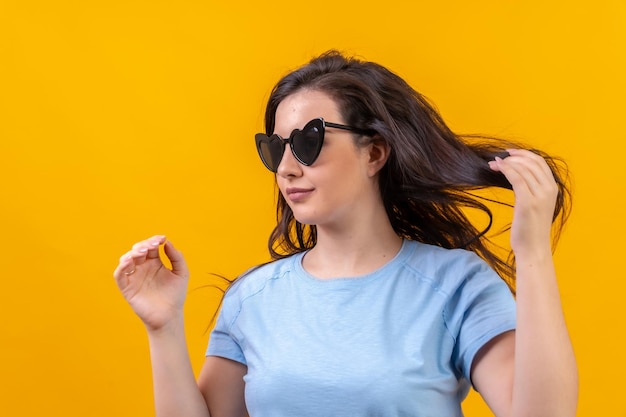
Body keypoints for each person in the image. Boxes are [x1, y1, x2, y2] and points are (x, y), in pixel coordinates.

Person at [113, 50, 578, 417]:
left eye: (308, 142)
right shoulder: (252, 299)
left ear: (374, 154)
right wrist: (164, 327)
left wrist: (532, 253)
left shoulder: (456, 286)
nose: (288, 168)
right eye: (276, 148)